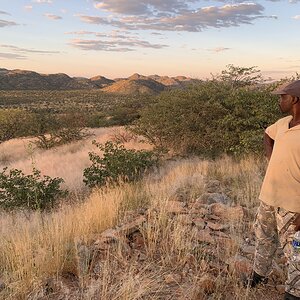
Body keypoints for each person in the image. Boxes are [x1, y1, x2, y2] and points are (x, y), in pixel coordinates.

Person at [249, 80, 300, 300]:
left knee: (295, 251)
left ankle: (294, 292)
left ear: (295, 99)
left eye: (283, 97)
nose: (279, 100)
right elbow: (267, 134)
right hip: (268, 196)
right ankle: (259, 274)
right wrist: (271, 157)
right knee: (263, 237)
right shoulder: (282, 123)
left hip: (292, 204)